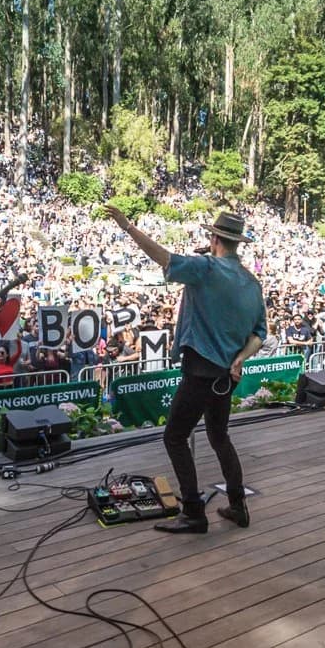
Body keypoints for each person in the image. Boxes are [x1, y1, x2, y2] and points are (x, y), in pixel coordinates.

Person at [104, 205, 266, 533]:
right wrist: (241, 358)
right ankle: (238, 505)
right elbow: (260, 333)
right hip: (228, 375)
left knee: (175, 436)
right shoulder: (252, 283)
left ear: (214, 238)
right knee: (219, 436)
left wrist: (127, 225)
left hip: (201, 370)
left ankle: (193, 512)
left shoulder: (206, 268)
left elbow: (163, 257)